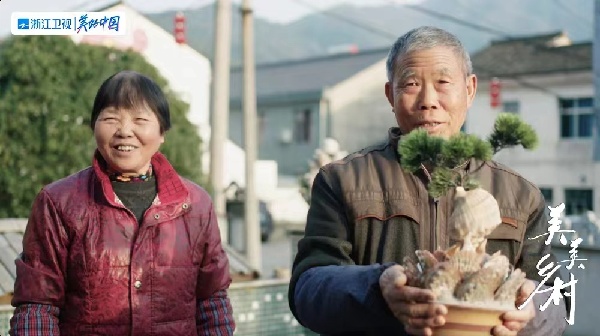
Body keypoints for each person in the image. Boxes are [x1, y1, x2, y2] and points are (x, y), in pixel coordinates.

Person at [289, 26, 568, 336]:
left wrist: (528, 314)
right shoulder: (342, 180)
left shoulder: (520, 195)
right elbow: (307, 289)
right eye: (411, 83)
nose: (428, 100)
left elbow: (557, 299)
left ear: (470, 90)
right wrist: (377, 287)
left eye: (443, 82)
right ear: (390, 95)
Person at [10, 70, 235, 336]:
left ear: (162, 132)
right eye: (111, 118)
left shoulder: (195, 204)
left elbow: (212, 302)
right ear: (94, 126)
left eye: (140, 119)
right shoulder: (58, 202)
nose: (124, 131)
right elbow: (38, 305)